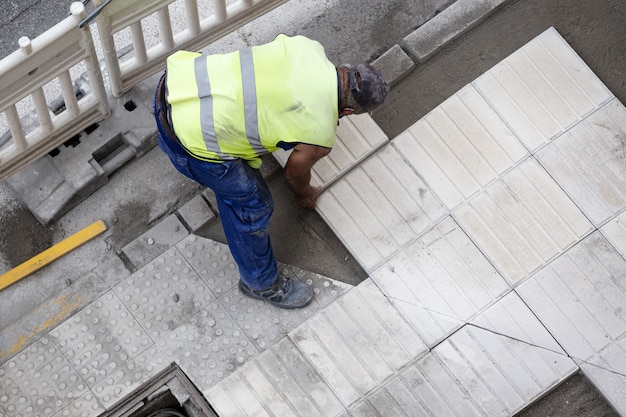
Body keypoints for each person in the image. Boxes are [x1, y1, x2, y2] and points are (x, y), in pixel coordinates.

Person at [154, 34, 389, 309]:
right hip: (185, 139)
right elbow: (294, 175)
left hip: (177, 82)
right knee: (255, 204)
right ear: (348, 111)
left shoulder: (309, 46)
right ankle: (260, 283)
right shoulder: (320, 133)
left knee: (244, 163)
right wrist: (306, 195)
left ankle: (228, 188)